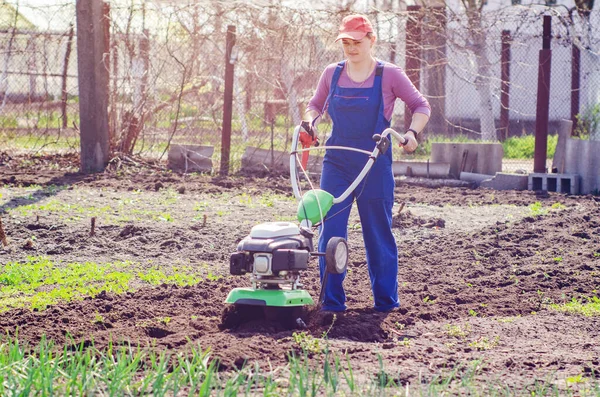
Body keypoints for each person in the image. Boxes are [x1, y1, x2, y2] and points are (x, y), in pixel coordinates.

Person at [301, 14, 431, 313]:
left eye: (356, 42)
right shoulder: (332, 73)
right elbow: (314, 105)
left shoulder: (389, 74)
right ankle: (331, 303)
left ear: (372, 40)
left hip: (374, 163)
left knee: (377, 233)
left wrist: (412, 133)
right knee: (331, 232)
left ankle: (386, 303)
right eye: (345, 42)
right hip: (337, 162)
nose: (351, 48)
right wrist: (310, 123)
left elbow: (420, 105)